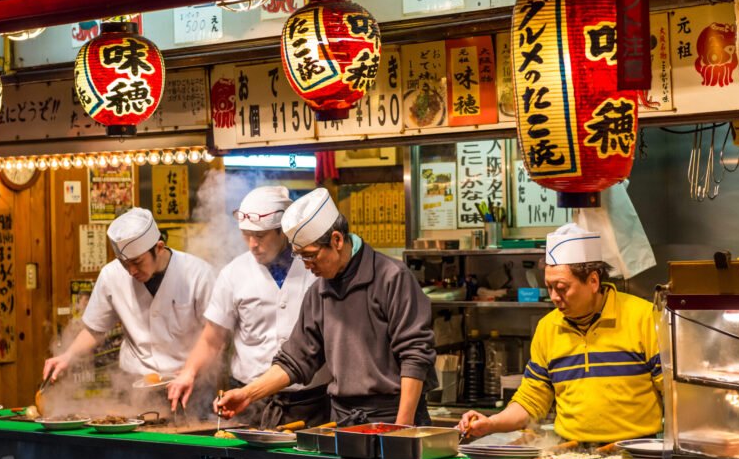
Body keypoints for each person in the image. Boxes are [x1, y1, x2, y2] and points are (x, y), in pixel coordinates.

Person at [215, 188, 436, 426]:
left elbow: (415, 354)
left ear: (337, 240)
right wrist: (247, 394)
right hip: (342, 419)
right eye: (300, 257)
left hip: (394, 414)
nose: (307, 265)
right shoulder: (319, 291)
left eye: (310, 256)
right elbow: (295, 360)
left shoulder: (392, 277)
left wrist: (401, 428)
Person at [458, 222, 663, 444]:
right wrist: (491, 423)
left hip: (636, 454)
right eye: (549, 287)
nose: (554, 296)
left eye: (562, 288)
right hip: (571, 454)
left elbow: (674, 393)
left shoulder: (644, 317)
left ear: (593, 281)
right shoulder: (548, 327)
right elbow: (532, 399)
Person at [166, 186, 331, 428]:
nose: (252, 244)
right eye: (246, 235)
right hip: (246, 399)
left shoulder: (316, 268)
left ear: (282, 230)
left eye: (260, 236)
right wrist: (188, 372)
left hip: (309, 400)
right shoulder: (233, 273)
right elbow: (212, 339)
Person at [42, 207, 214, 385]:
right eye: (124, 263)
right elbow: (96, 328)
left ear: (159, 248)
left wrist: (193, 369)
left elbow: (214, 335)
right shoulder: (111, 275)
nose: (131, 271)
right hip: (134, 382)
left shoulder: (198, 274)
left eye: (137, 262)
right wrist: (68, 356)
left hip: (186, 378)